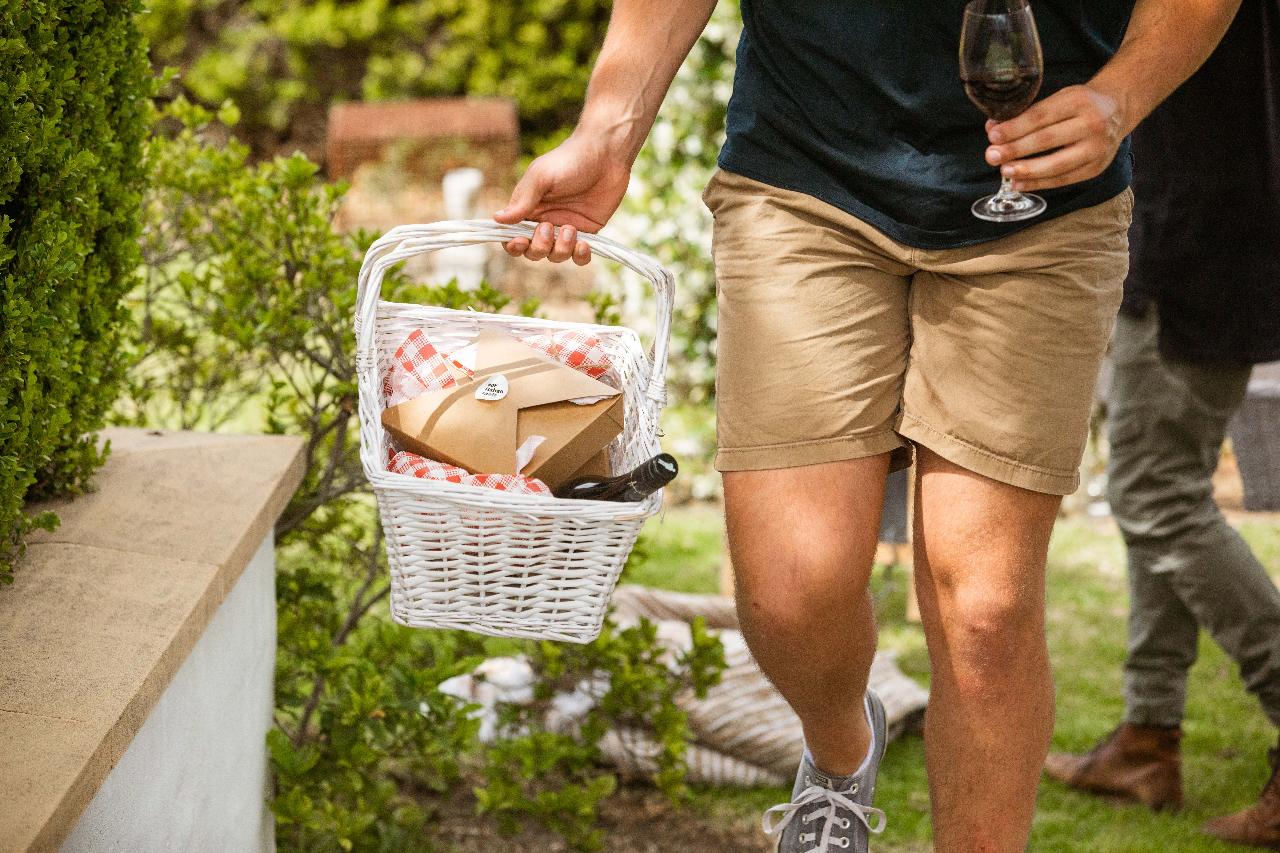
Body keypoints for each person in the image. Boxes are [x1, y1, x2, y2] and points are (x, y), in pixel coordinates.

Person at [494, 0, 1239, 849]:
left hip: (1040, 199)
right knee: (790, 589)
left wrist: (1121, 96)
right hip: (806, 173)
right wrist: (609, 127)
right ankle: (841, 750)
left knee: (985, 609)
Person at [1044, 2, 1280, 848]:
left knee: (1152, 492)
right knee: (1160, 480)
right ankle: (1147, 738)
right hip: (1201, 228)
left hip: (1199, 237)